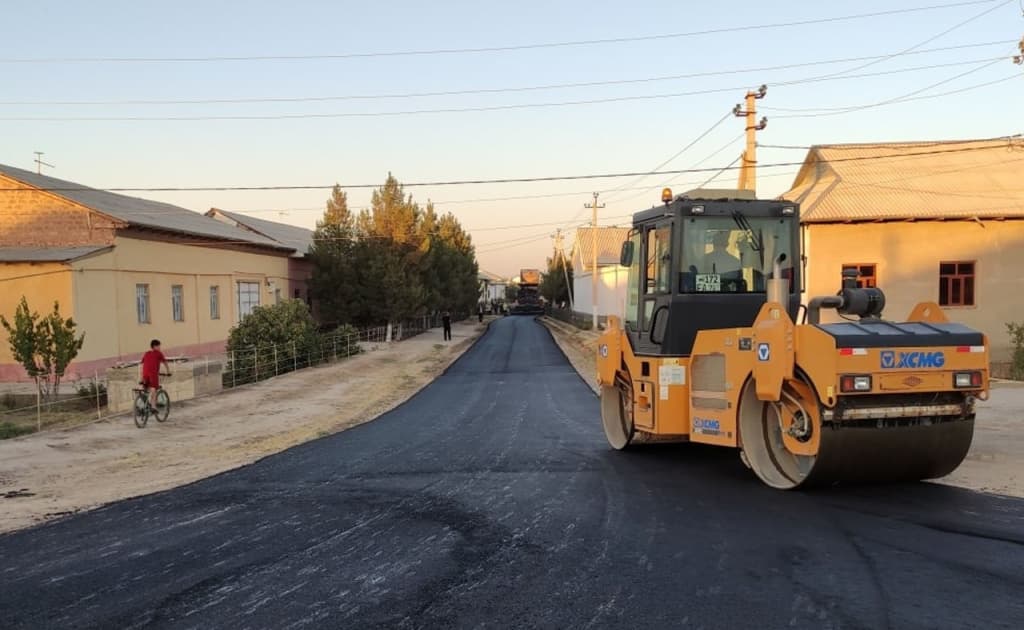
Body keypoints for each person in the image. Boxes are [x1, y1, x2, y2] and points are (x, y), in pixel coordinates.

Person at [139, 339, 171, 412]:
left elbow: (142, 363)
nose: (160, 348)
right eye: (159, 346)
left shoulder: (146, 353)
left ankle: (144, 404)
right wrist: (168, 371)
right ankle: (153, 407)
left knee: (146, 388)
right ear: (155, 346)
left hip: (145, 374)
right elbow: (165, 362)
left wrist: (141, 377)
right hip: (153, 374)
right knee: (154, 389)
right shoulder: (158, 353)